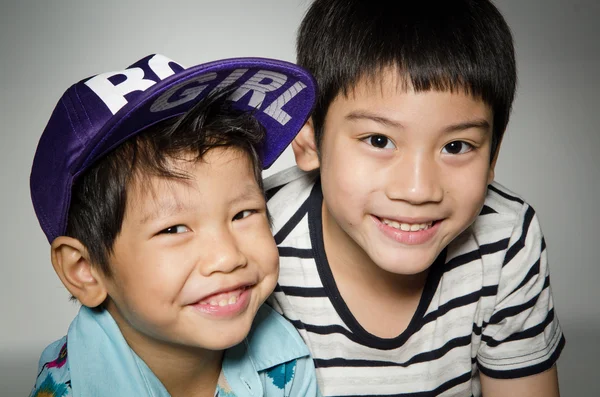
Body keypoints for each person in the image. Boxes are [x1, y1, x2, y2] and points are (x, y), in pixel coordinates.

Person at [265, 1, 565, 396]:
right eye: (379, 140)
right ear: (307, 141)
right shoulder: (259, 232)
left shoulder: (505, 237)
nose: (418, 190)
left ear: (493, 154)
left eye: (456, 146)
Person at [29, 54, 320, 397]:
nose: (227, 257)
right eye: (174, 229)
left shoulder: (286, 358)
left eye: (243, 214)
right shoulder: (71, 389)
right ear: (85, 269)